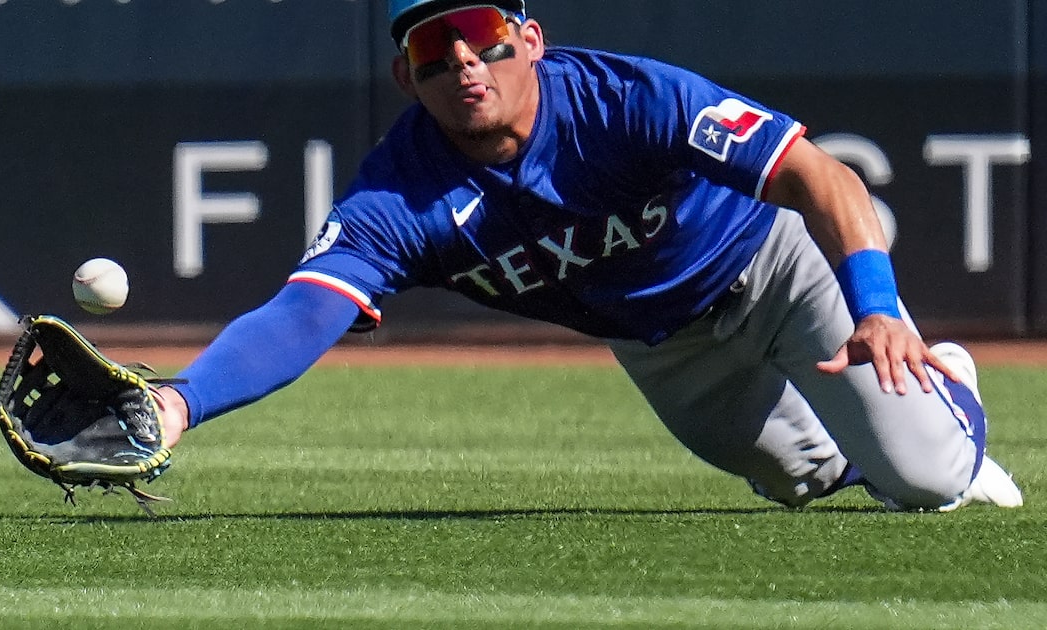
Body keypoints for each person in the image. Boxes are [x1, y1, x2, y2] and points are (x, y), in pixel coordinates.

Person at [154, 0, 1023, 511]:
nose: (464, 61)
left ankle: (947, 383)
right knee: (801, 482)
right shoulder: (401, 194)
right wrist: (179, 404)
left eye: (483, 31)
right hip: (664, 343)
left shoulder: (624, 99)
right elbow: (305, 310)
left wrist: (873, 304)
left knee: (925, 481)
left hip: (773, 268)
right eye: (430, 47)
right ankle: (866, 433)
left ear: (530, 38)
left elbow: (820, 174)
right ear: (403, 78)